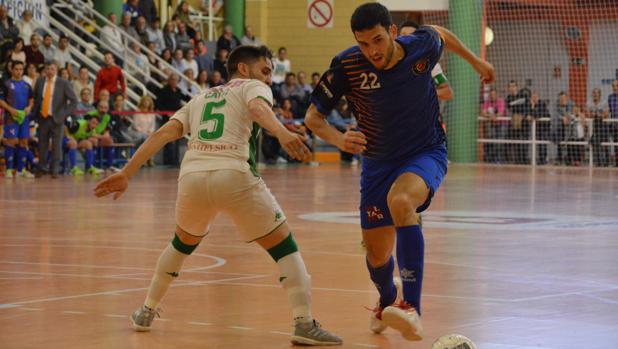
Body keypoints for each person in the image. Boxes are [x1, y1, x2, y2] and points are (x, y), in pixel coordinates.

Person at [93, 45, 342, 346]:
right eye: (265, 70)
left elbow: (163, 134)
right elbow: (259, 110)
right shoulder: (254, 88)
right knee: (285, 248)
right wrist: (282, 132)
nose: (269, 77)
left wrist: (127, 173)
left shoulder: (199, 97)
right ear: (244, 69)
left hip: (192, 178)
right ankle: (303, 322)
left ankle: (146, 310)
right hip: (233, 175)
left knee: (181, 244)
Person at [304, 3, 494, 341]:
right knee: (377, 254)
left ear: (392, 32)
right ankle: (388, 300)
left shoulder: (420, 47)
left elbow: (443, 35)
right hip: (377, 163)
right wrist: (338, 139)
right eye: (363, 43)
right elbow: (313, 119)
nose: (372, 51)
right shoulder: (347, 65)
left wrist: (476, 61)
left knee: (402, 201)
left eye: (377, 40)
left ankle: (411, 309)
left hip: (426, 152)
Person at [32, 61, 78, 178]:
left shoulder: (63, 83)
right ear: (45, 70)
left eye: (52, 69)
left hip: (57, 118)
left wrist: (64, 114)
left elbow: (74, 101)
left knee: (57, 145)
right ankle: (42, 168)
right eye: (47, 69)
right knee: (42, 144)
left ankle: (55, 170)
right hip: (43, 117)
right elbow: (37, 99)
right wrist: (35, 114)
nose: (49, 71)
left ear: (56, 70)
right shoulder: (40, 81)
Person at [399, 20, 453, 101]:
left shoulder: (429, 64)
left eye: (410, 36)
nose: (406, 39)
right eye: (403, 35)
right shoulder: (390, 62)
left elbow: (448, 93)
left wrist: (421, 93)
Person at [1, 60, 34, 178]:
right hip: (11, 117)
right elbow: (1, 100)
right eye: (16, 69)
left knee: (24, 141)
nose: (19, 72)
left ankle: (21, 170)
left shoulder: (27, 85)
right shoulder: (6, 84)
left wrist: (29, 107)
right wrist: (10, 110)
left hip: (24, 118)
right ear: (12, 70)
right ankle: (9, 169)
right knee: (11, 141)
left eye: (21, 69)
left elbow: (31, 99)